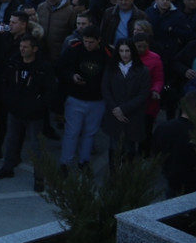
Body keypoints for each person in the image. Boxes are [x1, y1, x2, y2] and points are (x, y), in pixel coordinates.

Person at [0, 35, 56, 192]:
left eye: (26, 47)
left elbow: (50, 91)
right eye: (21, 46)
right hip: (15, 111)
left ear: (34, 49)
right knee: (11, 140)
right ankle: (7, 167)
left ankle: (39, 178)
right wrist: (9, 102)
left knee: (37, 146)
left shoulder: (43, 68)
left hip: (35, 115)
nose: (22, 49)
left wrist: (37, 105)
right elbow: (4, 83)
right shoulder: (13, 63)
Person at [56, 25, 108, 170]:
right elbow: (60, 68)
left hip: (97, 100)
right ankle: (65, 162)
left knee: (90, 133)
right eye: (85, 41)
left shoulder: (107, 53)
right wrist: (72, 76)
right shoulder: (74, 49)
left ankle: (84, 161)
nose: (88, 45)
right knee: (71, 132)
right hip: (75, 98)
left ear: (99, 40)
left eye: (91, 42)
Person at [101, 38, 150, 171]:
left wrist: (123, 109)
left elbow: (143, 94)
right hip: (114, 114)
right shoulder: (111, 68)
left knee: (129, 148)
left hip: (132, 115)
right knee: (114, 147)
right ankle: (114, 176)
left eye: (127, 50)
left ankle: (127, 177)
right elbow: (105, 89)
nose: (124, 54)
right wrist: (115, 109)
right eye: (121, 51)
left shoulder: (142, 70)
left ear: (132, 51)